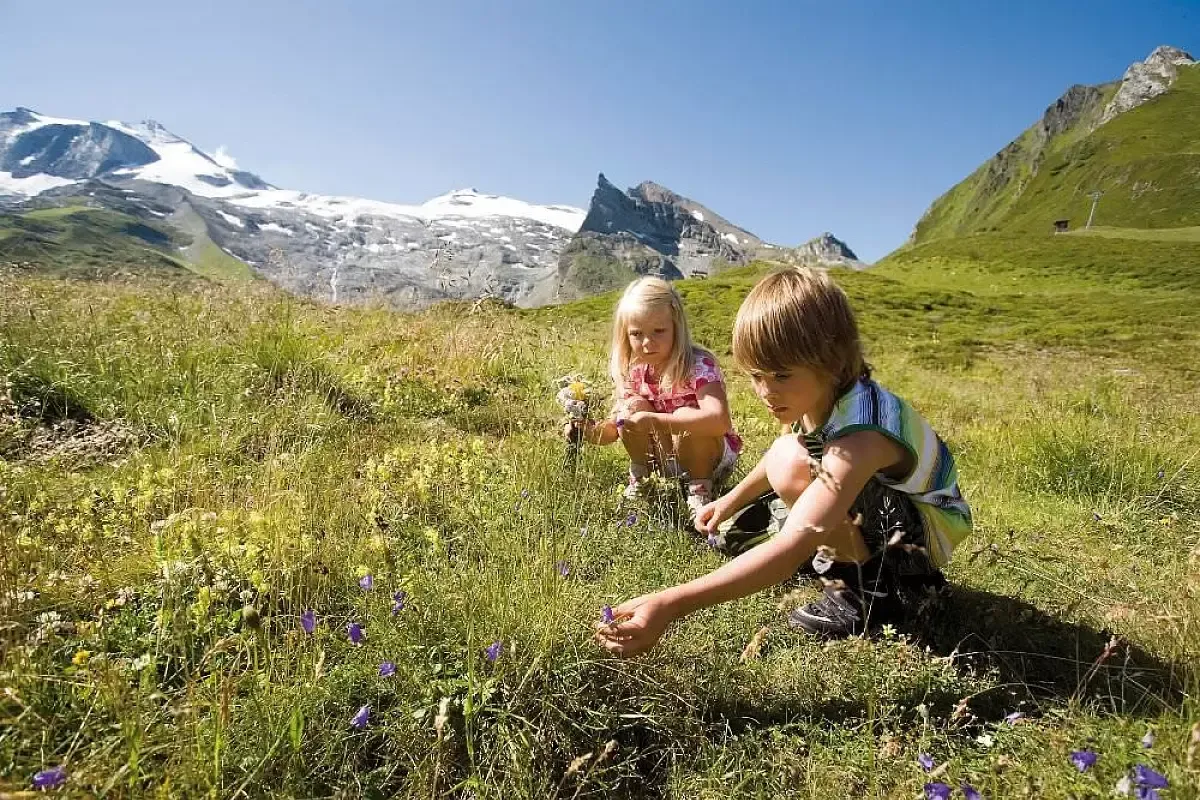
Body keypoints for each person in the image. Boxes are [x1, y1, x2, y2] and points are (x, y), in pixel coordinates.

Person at [595, 267, 972, 652]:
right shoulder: (822, 396)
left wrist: (669, 604)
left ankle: (866, 597)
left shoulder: (861, 436)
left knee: (794, 474)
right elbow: (785, 453)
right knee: (788, 455)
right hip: (884, 512)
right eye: (756, 375)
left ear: (831, 359)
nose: (765, 391)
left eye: (780, 375)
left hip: (921, 541)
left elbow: (793, 545)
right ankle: (850, 560)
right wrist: (729, 500)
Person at [567, 276, 742, 515]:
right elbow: (616, 427)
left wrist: (656, 421)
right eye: (637, 334)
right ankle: (643, 479)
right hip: (664, 457)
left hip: (707, 457)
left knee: (684, 414)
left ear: (676, 326)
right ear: (625, 335)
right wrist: (590, 431)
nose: (647, 343)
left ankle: (700, 488)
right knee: (631, 407)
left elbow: (719, 421)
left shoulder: (697, 365)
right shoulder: (634, 369)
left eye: (659, 331)